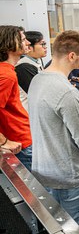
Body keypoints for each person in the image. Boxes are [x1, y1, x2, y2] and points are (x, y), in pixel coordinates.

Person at [28, 30, 79, 230]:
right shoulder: (67, 91)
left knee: (54, 226)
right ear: (72, 56)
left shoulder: (37, 80)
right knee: (75, 226)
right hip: (70, 177)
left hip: (45, 172)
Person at [0, 25, 33, 171]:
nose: (27, 43)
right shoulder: (6, 75)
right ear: (9, 43)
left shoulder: (7, 71)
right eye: (23, 39)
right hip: (19, 142)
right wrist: (4, 141)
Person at [15, 31, 47, 111]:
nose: (45, 47)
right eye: (42, 44)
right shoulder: (23, 67)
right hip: (27, 113)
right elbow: (39, 93)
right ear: (29, 47)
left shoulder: (35, 61)